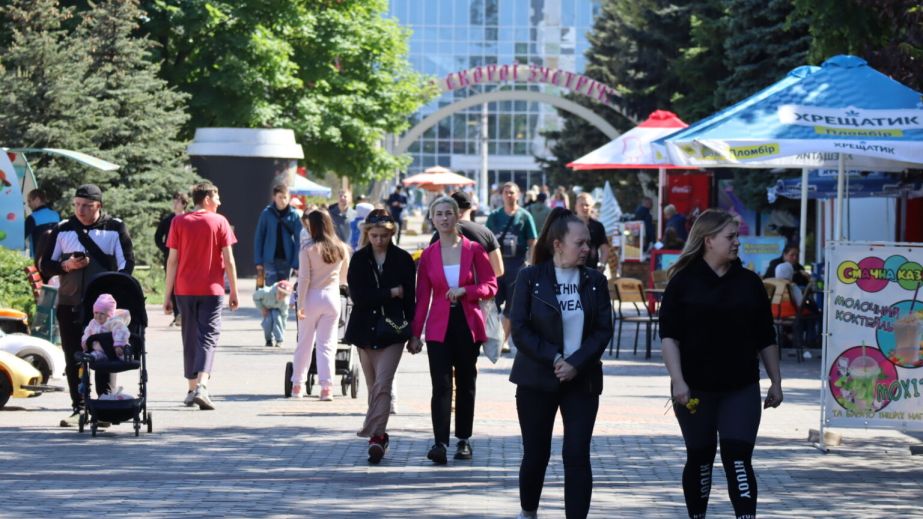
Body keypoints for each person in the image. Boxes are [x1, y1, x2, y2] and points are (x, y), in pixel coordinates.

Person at [658, 209, 783, 519]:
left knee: (738, 458)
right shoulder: (683, 282)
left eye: (737, 235)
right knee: (700, 457)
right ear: (708, 240)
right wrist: (678, 380)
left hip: (740, 388)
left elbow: (766, 337)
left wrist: (776, 382)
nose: (737, 242)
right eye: (731, 236)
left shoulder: (749, 283)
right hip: (695, 388)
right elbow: (669, 337)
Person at [509, 208, 612, 519]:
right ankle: (529, 512)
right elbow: (520, 329)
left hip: (582, 380)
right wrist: (554, 357)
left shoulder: (595, 280)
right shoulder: (530, 277)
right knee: (536, 454)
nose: (587, 249)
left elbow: (603, 330)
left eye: (589, 243)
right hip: (537, 379)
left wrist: (576, 363)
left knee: (577, 455)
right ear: (558, 244)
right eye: (580, 243)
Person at [408, 195, 497, 465]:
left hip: (468, 324)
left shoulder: (473, 250)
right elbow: (422, 297)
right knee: (441, 385)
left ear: (458, 216)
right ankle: (439, 443)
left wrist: (467, 291)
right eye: (439, 214)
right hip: (438, 327)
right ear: (432, 219)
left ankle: (464, 440)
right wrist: (415, 333)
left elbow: (492, 285)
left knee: (466, 383)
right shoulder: (428, 255)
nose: (444, 218)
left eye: (449, 213)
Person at [41, 184, 135, 427]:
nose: (81, 210)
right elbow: (46, 266)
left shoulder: (114, 228)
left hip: (102, 310)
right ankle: (78, 407)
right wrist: (66, 266)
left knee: (104, 355)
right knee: (74, 356)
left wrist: (112, 294)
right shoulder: (63, 229)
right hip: (70, 303)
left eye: (87, 206)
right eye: (77, 205)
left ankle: (105, 404)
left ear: (98, 206)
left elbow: (126, 266)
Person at [344, 209, 416, 464]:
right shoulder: (359, 259)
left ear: (391, 234)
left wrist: (415, 334)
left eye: (383, 235)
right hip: (364, 330)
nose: (378, 240)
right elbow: (358, 297)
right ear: (367, 234)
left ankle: (374, 436)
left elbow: (410, 299)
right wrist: (389, 293)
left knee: (383, 384)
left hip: (393, 331)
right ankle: (381, 435)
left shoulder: (403, 259)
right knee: (373, 386)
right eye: (374, 235)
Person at [164, 181, 240, 411]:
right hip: (211, 290)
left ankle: (190, 388)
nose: (219, 202)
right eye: (217, 197)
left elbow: (172, 261)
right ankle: (202, 386)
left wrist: (167, 295)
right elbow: (229, 260)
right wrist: (234, 291)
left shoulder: (178, 221)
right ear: (206, 199)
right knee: (208, 336)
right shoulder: (220, 222)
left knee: (188, 336)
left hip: (184, 290)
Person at [291, 210, 350, 401]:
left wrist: (299, 303)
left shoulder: (307, 249)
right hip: (332, 297)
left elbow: (304, 278)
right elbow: (344, 278)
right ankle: (327, 387)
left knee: (305, 343)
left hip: (311, 297)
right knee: (327, 345)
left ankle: (298, 385)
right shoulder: (341, 248)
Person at [486, 182, 537, 349]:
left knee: (512, 305)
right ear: (501, 195)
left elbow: (533, 242)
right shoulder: (494, 216)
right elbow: (484, 241)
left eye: (512, 192)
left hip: (517, 265)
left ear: (518, 194)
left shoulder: (524, 216)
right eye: (506, 192)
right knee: (491, 303)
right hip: (497, 265)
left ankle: (504, 341)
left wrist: (532, 263)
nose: (509, 195)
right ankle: (491, 336)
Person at [429, 191, 504, 277]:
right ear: (471, 208)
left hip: (447, 289)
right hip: (479, 288)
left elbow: (431, 268)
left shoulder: (441, 234)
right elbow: (499, 270)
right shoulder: (485, 232)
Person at [254, 184, 301, 287]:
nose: (283, 200)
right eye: (280, 197)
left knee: (283, 291)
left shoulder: (294, 215)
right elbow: (259, 237)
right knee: (271, 291)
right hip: (269, 260)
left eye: (285, 197)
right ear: (274, 197)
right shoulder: (266, 213)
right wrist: (258, 260)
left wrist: (296, 262)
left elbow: (299, 241)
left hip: (286, 261)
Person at [154, 192, 189, 326]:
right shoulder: (168, 220)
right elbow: (158, 237)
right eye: (173, 201)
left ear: (184, 203)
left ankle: (186, 313)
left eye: (178, 201)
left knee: (185, 285)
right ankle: (177, 315)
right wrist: (166, 250)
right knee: (173, 285)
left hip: (186, 258)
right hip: (170, 258)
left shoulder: (189, 218)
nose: (175, 204)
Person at [81, 294, 131, 361]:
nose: (98, 316)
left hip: (113, 350)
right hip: (99, 349)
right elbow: (87, 332)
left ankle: (125, 352)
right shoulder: (93, 323)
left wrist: (118, 345)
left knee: (103, 354)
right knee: (96, 354)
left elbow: (121, 332)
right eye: (96, 313)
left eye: (102, 313)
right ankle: (90, 357)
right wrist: (85, 342)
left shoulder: (114, 322)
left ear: (109, 314)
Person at [252, 279, 293, 348]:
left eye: (284, 295)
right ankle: (268, 340)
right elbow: (255, 297)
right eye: (280, 293)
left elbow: (284, 316)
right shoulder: (266, 292)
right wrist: (262, 308)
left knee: (277, 317)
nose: (281, 296)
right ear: (276, 290)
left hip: (277, 311)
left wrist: (283, 328)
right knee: (268, 322)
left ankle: (279, 340)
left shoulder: (284, 302)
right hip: (266, 309)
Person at [574, 193, 610, 271]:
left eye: (587, 205)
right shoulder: (567, 225)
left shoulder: (598, 226)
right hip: (571, 269)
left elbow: (605, 248)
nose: (584, 207)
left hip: (591, 270)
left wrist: (602, 264)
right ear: (576, 207)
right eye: (581, 205)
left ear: (592, 207)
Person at [24, 188, 60, 260]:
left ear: (37, 199)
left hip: (39, 261)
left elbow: (20, 237)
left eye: (29, 201)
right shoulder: (56, 215)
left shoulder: (32, 218)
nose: (28, 205)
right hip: (56, 258)